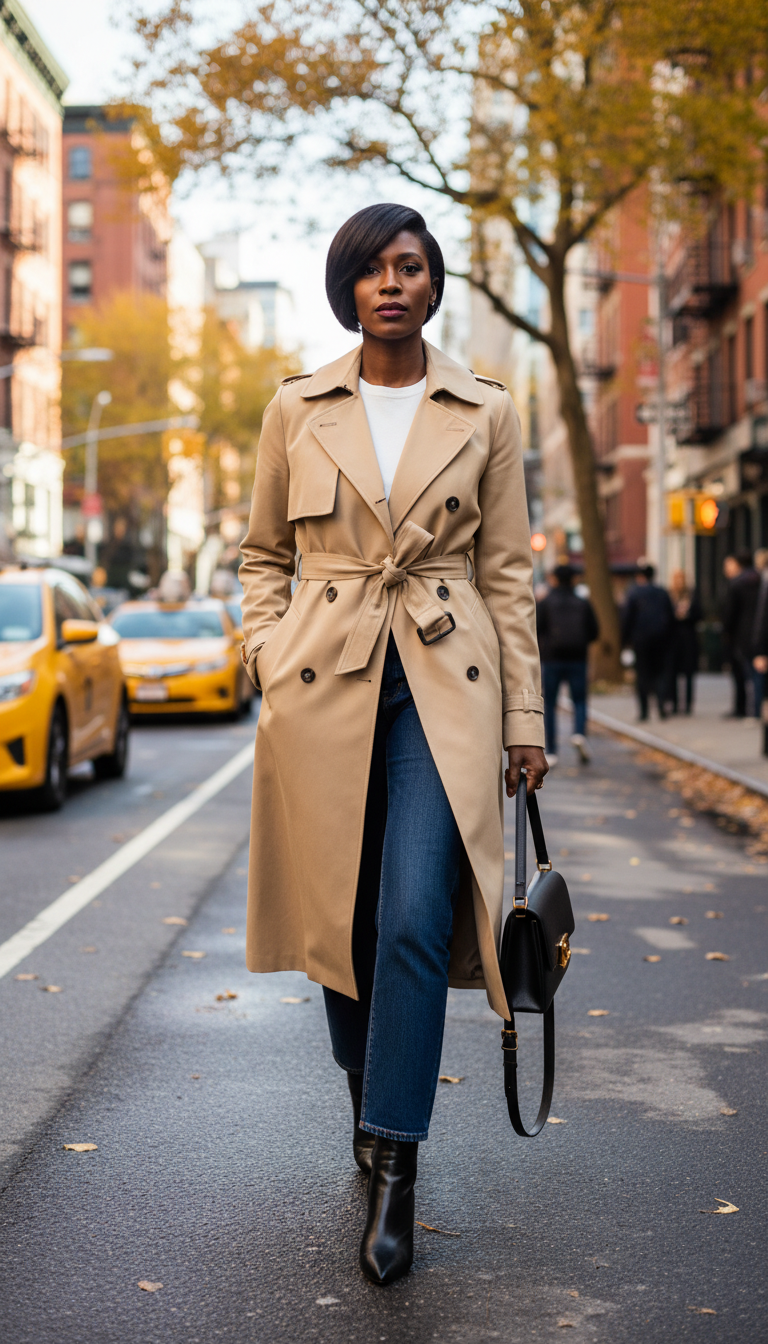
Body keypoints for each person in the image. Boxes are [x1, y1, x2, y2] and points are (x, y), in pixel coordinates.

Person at [238, 203, 547, 1287]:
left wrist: (524, 720)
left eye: (410, 266)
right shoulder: (296, 407)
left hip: (441, 687)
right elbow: (262, 555)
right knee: (343, 924)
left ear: (432, 284)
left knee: (414, 913)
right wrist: (267, 654)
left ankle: (396, 1165)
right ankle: (369, 1103)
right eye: (372, 269)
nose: (391, 284)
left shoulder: (485, 409)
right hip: (324, 689)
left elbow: (507, 575)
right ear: (347, 288)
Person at [536, 563, 599, 764]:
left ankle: (552, 751)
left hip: (552, 659)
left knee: (551, 704)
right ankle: (579, 733)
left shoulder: (546, 603)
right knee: (579, 700)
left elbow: (537, 629)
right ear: (574, 579)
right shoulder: (582, 602)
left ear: (554, 579)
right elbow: (594, 631)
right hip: (577, 658)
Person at [621, 562, 674, 721]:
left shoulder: (634, 593)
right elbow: (670, 617)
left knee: (642, 674)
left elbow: (626, 619)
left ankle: (644, 711)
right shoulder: (662, 593)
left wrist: (625, 640)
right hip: (660, 639)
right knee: (660, 674)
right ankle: (661, 706)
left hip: (641, 640)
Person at [722, 550, 761, 717]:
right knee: (757, 674)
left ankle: (743, 708)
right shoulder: (760, 580)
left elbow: (730, 613)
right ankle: (757, 708)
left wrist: (726, 632)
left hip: (741, 635)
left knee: (742, 674)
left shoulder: (736, 583)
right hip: (758, 633)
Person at [667, 569, 702, 715]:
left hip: (688, 637)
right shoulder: (669, 596)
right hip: (674, 638)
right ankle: (674, 704)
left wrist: (687, 613)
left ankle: (688, 705)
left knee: (688, 673)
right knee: (673, 672)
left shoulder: (692, 595)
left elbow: (700, 614)